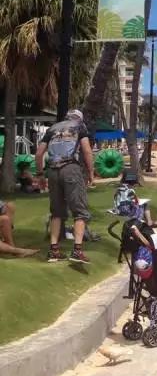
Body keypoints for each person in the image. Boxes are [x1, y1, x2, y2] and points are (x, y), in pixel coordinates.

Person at [35, 109, 95, 263]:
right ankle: (77, 251)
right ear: (79, 119)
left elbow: (39, 153)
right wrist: (91, 173)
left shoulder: (52, 129)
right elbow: (87, 151)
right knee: (80, 211)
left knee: (56, 212)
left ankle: (54, 251)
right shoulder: (80, 127)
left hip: (52, 171)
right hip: (70, 169)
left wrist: (40, 174)